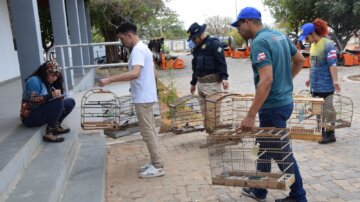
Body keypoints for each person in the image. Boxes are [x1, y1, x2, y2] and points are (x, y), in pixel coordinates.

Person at [231, 7, 307, 202]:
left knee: (282, 153)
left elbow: (266, 81)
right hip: (284, 102)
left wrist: (250, 115)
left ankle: (299, 196)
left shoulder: (259, 42)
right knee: (264, 148)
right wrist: (285, 81)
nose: (238, 30)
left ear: (247, 22)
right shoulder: (279, 35)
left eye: (239, 25)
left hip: (272, 107)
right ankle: (259, 190)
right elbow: (299, 60)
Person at [98, 22, 165, 178]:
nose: (122, 42)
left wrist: (110, 79)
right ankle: (155, 161)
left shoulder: (138, 51)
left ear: (129, 35)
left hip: (143, 98)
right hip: (145, 95)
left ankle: (158, 165)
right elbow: (154, 73)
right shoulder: (143, 48)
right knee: (150, 131)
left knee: (147, 131)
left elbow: (135, 73)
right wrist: (142, 87)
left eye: (122, 38)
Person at [299, 19, 340, 144]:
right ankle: (322, 130)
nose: (305, 40)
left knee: (327, 109)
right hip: (315, 85)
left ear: (312, 34)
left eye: (306, 37)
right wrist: (309, 78)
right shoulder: (312, 46)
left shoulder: (328, 44)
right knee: (317, 109)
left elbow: (332, 64)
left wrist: (336, 81)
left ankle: (330, 133)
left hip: (326, 85)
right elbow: (313, 64)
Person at [20, 61, 75, 143]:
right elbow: (33, 101)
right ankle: (49, 133)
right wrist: (51, 95)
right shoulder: (33, 81)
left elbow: (51, 100)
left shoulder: (49, 82)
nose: (55, 78)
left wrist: (59, 95)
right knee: (58, 103)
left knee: (70, 102)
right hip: (30, 117)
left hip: (41, 111)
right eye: (52, 75)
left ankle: (56, 126)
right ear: (45, 73)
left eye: (56, 76)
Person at [187, 22, 229, 116]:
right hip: (200, 85)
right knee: (205, 116)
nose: (193, 41)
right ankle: (209, 131)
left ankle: (216, 131)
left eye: (194, 38)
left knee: (213, 116)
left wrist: (224, 78)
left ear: (200, 35)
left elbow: (221, 62)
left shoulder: (214, 44)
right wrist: (193, 83)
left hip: (212, 85)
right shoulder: (197, 48)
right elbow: (195, 68)